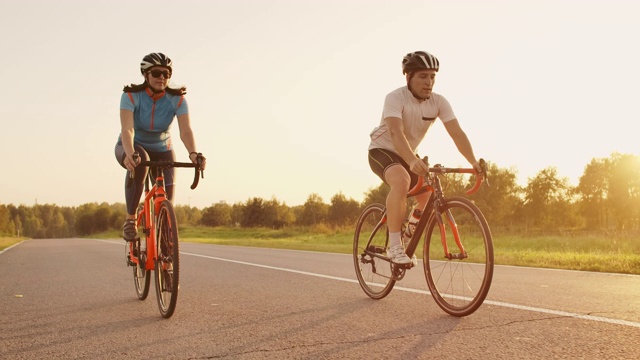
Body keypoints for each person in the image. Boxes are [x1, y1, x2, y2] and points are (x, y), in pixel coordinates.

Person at [367, 51, 483, 265]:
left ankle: (407, 236)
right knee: (401, 180)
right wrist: (412, 161)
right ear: (408, 77)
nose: (429, 82)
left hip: (408, 153)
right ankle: (395, 247)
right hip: (382, 150)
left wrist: (473, 162)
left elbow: (457, 133)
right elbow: (395, 133)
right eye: (423, 76)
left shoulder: (439, 102)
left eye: (432, 76)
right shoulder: (394, 98)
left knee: (428, 194)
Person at [115, 52, 206, 241]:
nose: (162, 77)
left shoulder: (177, 99)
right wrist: (130, 153)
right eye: (156, 73)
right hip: (132, 145)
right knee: (141, 160)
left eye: (166, 73)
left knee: (167, 201)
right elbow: (127, 129)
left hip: (163, 148)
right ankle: (130, 219)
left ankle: (165, 250)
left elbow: (186, 131)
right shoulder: (131, 95)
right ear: (145, 75)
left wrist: (193, 154)